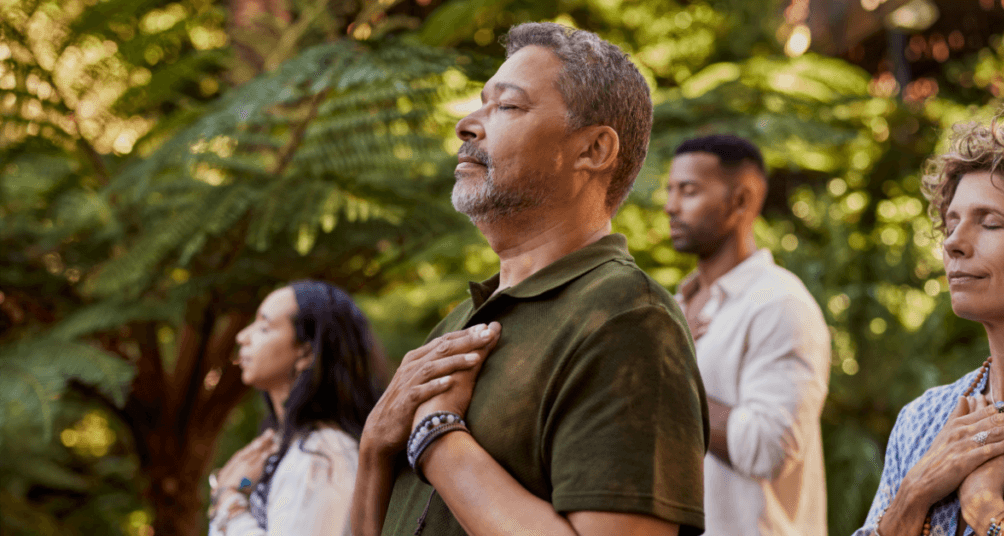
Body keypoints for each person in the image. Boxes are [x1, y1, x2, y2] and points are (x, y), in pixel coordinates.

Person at [351, 22, 710, 536]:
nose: (467, 125)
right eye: (480, 103)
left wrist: (435, 436)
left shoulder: (628, 319)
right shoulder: (455, 326)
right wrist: (374, 447)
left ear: (593, 151)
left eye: (508, 107)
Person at [854, 119, 1004, 536]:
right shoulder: (923, 420)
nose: (953, 243)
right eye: (951, 223)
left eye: (989, 223)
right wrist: (916, 490)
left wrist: (986, 507)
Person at [663, 134, 831, 536]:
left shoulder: (779, 304)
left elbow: (768, 448)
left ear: (741, 201)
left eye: (689, 191)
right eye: (670, 190)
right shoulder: (674, 308)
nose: (670, 206)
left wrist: (666, 379)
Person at [208, 280, 387, 536]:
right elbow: (252, 491)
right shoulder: (284, 445)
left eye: (264, 326)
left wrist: (229, 501)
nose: (242, 336)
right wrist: (240, 486)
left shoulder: (323, 457)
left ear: (305, 353)